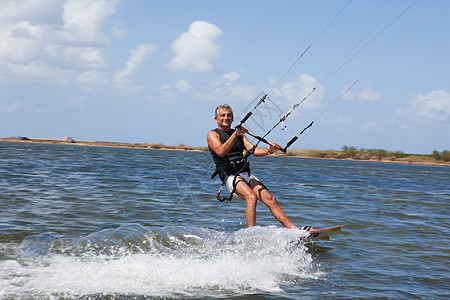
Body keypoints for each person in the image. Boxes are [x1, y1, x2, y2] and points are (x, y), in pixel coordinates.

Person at [207, 104, 312, 230]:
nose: (226, 118)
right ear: (216, 119)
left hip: (244, 173)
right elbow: (220, 151)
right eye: (222, 115)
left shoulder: (239, 134)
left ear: (232, 117)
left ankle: (295, 230)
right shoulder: (213, 135)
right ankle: (252, 234)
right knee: (251, 197)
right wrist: (235, 134)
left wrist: (269, 150)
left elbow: (253, 150)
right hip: (229, 176)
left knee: (271, 199)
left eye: (229, 115)